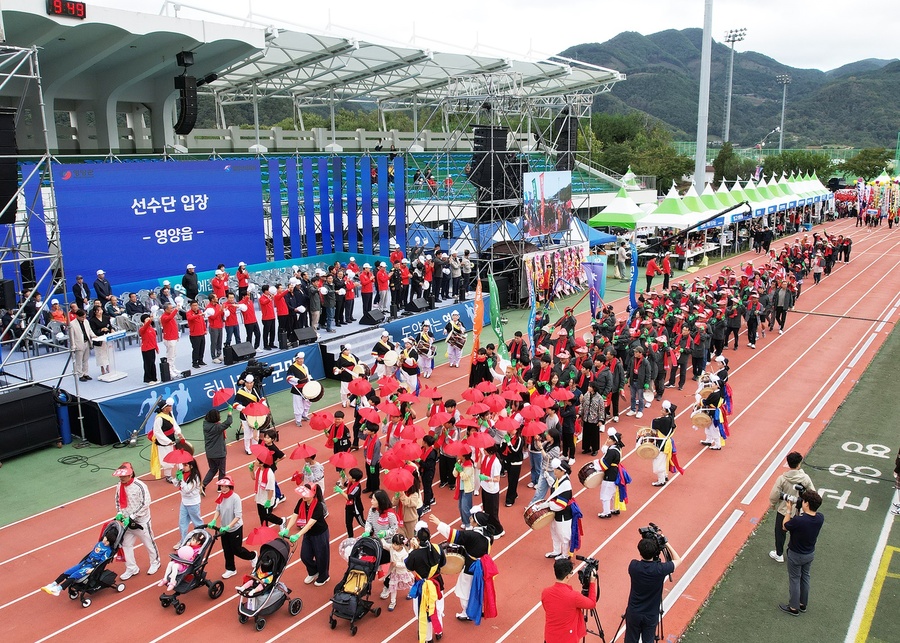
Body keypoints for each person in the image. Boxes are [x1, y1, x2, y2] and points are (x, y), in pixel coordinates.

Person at [429, 511, 498, 623]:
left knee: (464, 591)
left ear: (476, 523)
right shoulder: (488, 535)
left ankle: (467, 612)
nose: (469, 519)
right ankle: (478, 608)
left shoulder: (472, 535)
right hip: (482, 567)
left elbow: (454, 535)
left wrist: (439, 523)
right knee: (479, 588)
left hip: (470, 567)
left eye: (472, 518)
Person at [625, 532, 682, 643]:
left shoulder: (633, 566)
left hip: (634, 612)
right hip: (651, 614)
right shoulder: (660, 569)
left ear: (640, 552)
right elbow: (678, 560)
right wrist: (666, 543)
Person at [779, 490, 825, 616]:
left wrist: (789, 510)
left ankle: (793, 607)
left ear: (807, 504)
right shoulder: (820, 518)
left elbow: (785, 526)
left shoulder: (799, 521)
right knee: (805, 578)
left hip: (795, 554)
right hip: (809, 554)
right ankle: (802, 604)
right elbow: (802, 520)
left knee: (794, 579)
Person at [112, 462, 161, 580]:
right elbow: (118, 501)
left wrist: (133, 516)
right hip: (126, 522)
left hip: (141, 521)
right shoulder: (119, 486)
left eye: (124, 476)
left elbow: (145, 503)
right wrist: (119, 513)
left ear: (130, 474)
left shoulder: (140, 486)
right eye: (120, 477)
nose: (121, 478)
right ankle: (131, 568)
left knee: (149, 543)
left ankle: (155, 562)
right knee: (126, 545)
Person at [768, 451, 816, 563]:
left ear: (788, 463)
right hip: (800, 511)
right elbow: (813, 493)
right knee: (798, 533)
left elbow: (774, 494)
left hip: (784, 510)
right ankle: (795, 553)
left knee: (780, 532)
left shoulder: (782, 478)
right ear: (799, 464)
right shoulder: (805, 478)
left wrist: (773, 503)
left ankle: (779, 553)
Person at [208, 475, 256, 579]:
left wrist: (228, 527)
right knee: (227, 549)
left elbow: (238, 516)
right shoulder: (220, 496)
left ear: (231, 487)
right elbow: (218, 510)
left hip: (235, 528)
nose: (223, 489)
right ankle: (230, 569)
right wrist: (214, 520)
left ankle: (252, 556)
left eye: (226, 487)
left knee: (236, 549)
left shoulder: (235, 498)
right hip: (224, 528)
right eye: (222, 487)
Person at [541, 557, 599, 643]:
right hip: (567, 639)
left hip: (550, 637)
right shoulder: (574, 596)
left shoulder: (545, 592)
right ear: (568, 576)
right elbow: (591, 604)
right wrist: (592, 583)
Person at [283, 483, 331, 586]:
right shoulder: (301, 502)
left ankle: (324, 576)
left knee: (321, 556)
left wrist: (297, 535)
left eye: (306, 494)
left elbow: (310, 524)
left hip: (320, 534)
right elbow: (295, 515)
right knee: (305, 556)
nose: (304, 496)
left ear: (313, 494)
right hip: (308, 533)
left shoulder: (318, 506)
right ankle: (313, 572)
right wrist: (287, 529)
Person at [405, 523, 447, 643]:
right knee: (437, 608)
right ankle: (439, 631)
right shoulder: (438, 548)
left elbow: (409, 568)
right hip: (436, 583)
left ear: (417, 538)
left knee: (423, 612)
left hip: (422, 586)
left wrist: (412, 550)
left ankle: (428, 638)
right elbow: (443, 564)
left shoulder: (414, 554)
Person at [41, 531, 114, 596]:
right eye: (105, 539)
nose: (105, 542)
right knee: (68, 572)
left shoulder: (107, 550)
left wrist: (93, 570)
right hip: (85, 562)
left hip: (90, 566)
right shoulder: (99, 543)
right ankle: (52, 584)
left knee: (74, 575)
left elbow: (102, 562)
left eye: (108, 542)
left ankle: (58, 589)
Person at [152, 398, 183, 482]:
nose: (171, 407)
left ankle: (180, 472)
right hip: (164, 443)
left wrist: (178, 433)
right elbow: (157, 432)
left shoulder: (170, 413)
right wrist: (168, 441)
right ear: (165, 408)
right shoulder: (159, 419)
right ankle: (168, 476)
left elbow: (174, 424)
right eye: (169, 406)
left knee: (178, 456)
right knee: (167, 459)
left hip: (172, 439)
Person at [201, 408, 232, 491]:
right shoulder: (217, 427)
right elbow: (228, 422)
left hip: (210, 453)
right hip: (219, 453)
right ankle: (220, 487)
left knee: (212, 469)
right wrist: (229, 413)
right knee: (222, 471)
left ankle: (203, 485)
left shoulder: (205, 424)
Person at [174, 459, 204, 541]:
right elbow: (176, 484)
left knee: (197, 522)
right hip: (184, 501)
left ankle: (201, 537)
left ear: (191, 466)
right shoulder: (183, 473)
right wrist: (177, 478)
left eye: (185, 465)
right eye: (183, 465)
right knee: (182, 523)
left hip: (193, 503)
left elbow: (187, 489)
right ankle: (183, 540)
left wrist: (182, 480)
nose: (183, 467)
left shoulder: (195, 477)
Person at [385, 534, 415, 611]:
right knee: (393, 586)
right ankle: (393, 602)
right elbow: (385, 545)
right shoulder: (391, 547)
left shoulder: (404, 554)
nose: (393, 546)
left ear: (401, 545)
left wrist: (397, 564)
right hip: (394, 572)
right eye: (393, 544)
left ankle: (411, 592)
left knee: (408, 583)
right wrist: (381, 538)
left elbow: (405, 564)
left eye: (396, 544)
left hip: (402, 572)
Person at [598, 429, 623, 519]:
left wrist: (597, 464)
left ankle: (606, 512)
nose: (607, 440)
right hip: (615, 472)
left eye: (609, 439)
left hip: (610, 473)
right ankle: (615, 508)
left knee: (606, 493)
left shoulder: (612, 451)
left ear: (614, 441)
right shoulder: (616, 448)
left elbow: (604, 464)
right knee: (613, 492)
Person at [334, 467, 365, 538]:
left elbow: (349, 497)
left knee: (361, 522)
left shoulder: (357, 487)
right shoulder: (350, 482)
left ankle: (371, 530)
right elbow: (345, 483)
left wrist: (340, 491)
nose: (348, 476)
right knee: (348, 523)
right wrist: (343, 476)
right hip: (349, 507)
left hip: (356, 508)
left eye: (350, 475)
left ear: (354, 479)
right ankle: (350, 537)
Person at [68, 308, 95, 382]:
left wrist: (93, 336)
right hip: (78, 344)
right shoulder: (72, 324)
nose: (84, 318)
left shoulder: (86, 321)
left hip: (87, 342)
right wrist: (73, 346)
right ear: (77, 316)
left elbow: (89, 330)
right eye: (82, 317)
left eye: (85, 317)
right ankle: (80, 374)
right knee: (79, 361)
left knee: (85, 360)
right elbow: (71, 336)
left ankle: (85, 373)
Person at [286, 352, 311, 426]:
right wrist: (297, 380)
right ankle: (298, 420)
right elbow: (289, 377)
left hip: (306, 387)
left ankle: (305, 414)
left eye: (302, 358)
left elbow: (308, 375)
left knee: (308, 402)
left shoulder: (304, 366)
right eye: (300, 359)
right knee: (298, 404)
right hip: (297, 388)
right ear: (296, 359)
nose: (301, 360)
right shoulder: (292, 367)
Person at [138, 313, 159, 385]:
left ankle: (154, 378)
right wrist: (150, 320)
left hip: (152, 347)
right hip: (146, 349)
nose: (149, 320)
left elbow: (154, 339)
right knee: (148, 364)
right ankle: (148, 379)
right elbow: (145, 326)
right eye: (147, 319)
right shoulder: (142, 329)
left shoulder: (151, 328)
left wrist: (156, 347)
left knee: (153, 364)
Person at [186, 300, 207, 369]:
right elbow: (190, 318)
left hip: (201, 333)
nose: (195, 307)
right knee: (196, 349)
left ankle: (200, 360)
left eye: (196, 305)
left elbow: (203, 322)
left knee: (202, 348)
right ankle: (194, 362)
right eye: (194, 306)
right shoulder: (188, 313)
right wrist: (198, 315)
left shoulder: (200, 312)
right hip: (194, 335)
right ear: (191, 306)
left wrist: (205, 329)